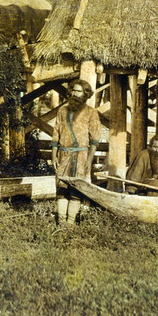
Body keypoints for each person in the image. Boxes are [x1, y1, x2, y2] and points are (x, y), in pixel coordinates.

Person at [51, 79, 101, 225]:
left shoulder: (91, 113)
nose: (75, 94)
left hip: (81, 157)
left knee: (76, 192)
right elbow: (56, 135)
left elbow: (94, 140)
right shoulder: (62, 111)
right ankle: (61, 222)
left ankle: (70, 223)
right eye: (73, 90)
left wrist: (89, 161)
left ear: (85, 94)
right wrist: (54, 155)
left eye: (79, 91)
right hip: (63, 155)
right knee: (61, 190)